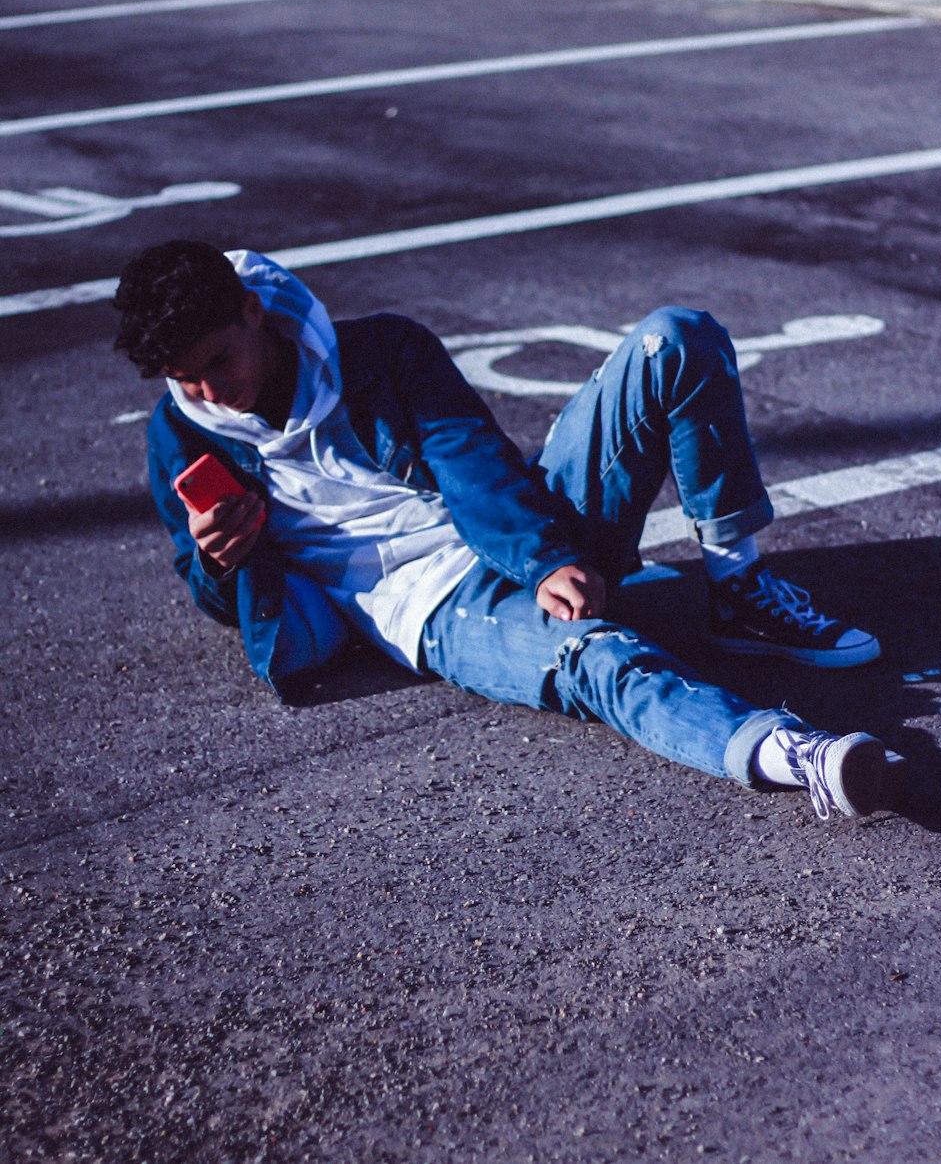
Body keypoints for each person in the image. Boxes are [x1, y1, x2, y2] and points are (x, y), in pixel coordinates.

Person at [113, 240, 888, 823]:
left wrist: (543, 555)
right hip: (426, 604)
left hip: (507, 529)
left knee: (673, 339)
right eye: (186, 379)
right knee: (596, 655)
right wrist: (222, 560)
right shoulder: (180, 435)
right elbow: (214, 592)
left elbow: (468, 453)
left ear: (251, 309)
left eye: (217, 360)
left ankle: (736, 585)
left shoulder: (382, 349)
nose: (213, 391)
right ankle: (793, 755)